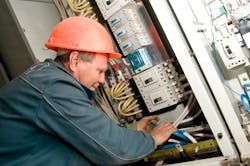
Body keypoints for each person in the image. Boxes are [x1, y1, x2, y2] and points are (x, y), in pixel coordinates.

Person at [0, 16, 176, 166]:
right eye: (100, 71)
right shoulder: (54, 87)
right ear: (75, 60)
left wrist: (132, 129)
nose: (101, 80)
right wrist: (153, 139)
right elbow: (115, 150)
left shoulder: (47, 78)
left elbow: (81, 133)